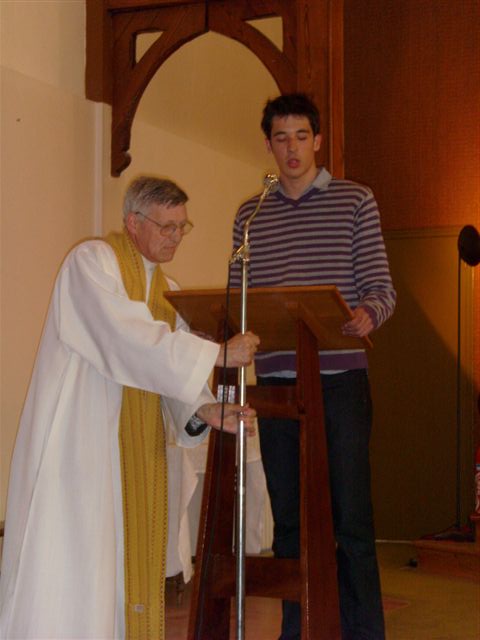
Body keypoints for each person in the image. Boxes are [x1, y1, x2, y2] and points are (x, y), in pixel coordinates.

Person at [0, 176, 259, 640]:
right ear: (133, 223)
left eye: (183, 227)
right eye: (166, 226)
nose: (175, 237)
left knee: (121, 572)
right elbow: (128, 338)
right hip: (82, 449)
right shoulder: (93, 263)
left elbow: (166, 373)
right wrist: (217, 354)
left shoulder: (169, 290)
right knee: (78, 571)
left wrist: (205, 410)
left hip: (136, 456)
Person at [231, 94, 396, 640]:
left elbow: (380, 290)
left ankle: (362, 633)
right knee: (290, 522)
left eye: (302, 136)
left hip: (340, 381)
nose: (292, 148)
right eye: (281, 138)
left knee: (350, 519)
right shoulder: (250, 214)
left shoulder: (355, 201)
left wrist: (367, 315)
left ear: (318, 140)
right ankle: (297, 630)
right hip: (277, 383)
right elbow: (238, 300)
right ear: (269, 145)